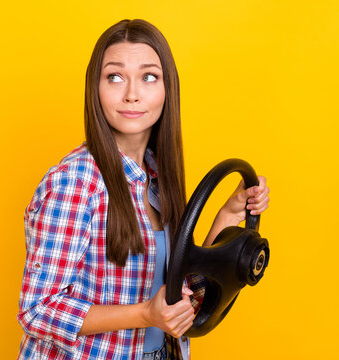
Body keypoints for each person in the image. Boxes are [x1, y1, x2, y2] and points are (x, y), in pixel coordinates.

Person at [16, 19, 270, 360]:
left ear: (168, 89)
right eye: (115, 77)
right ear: (95, 87)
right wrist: (144, 314)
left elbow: (179, 292)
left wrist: (228, 215)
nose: (132, 93)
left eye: (149, 76)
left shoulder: (155, 177)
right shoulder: (75, 181)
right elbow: (38, 310)